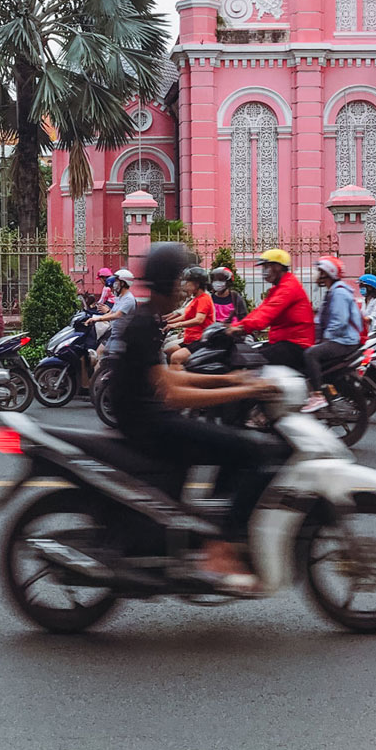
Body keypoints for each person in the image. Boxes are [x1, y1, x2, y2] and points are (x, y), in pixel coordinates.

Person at [108, 243, 283, 595]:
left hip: (148, 420)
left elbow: (172, 378)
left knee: (232, 446)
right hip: (151, 427)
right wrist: (240, 392)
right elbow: (174, 393)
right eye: (179, 283)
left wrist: (230, 380)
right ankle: (219, 549)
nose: (183, 290)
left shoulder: (146, 319)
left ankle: (207, 530)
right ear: (168, 283)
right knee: (249, 451)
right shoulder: (143, 325)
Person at [227, 249, 315, 371]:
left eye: (267, 267)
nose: (264, 271)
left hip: (295, 344)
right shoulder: (279, 288)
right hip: (282, 341)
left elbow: (264, 316)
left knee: (250, 362)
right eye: (264, 267)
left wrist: (240, 328)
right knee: (248, 354)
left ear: (278, 267)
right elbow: (259, 311)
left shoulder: (288, 288)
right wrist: (235, 325)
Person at [301, 257, 364, 413]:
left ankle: (317, 396)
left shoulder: (339, 293)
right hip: (340, 339)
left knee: (311, 354)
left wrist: (323, 340)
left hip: (344, 341)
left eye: (320, 271)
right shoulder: (334, 291)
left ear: (327, 273)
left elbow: (340, 321)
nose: (316, 275)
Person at [168, 267, 216, 367]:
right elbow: (186, 316)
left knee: (175, 358)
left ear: (197, 284)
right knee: (168, 351)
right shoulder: (196, 299)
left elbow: (199, 319)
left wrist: (176, 325)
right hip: (190, 339)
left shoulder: (204, 299)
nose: (186, 285)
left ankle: (181, 381)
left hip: (200, 340)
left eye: (188, 282)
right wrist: (168, 323)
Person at [91, 268, 136, 357]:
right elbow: (111, 312)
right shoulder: (119, 298)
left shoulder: (129, 299)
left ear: (123, 283)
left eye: (116, 281)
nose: (114, 284)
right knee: (98, 354)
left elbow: (117, 315)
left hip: (121, 337)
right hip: (113, 333)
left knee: (106, 361)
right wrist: (94, 318)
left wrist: (98, 319)